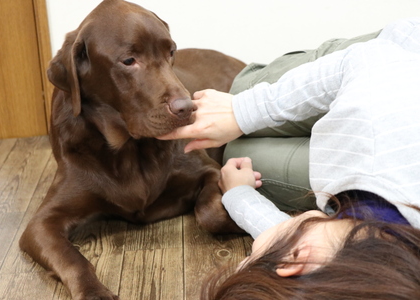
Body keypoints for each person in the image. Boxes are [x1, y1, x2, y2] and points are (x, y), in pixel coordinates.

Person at [159, 18, 420, 299]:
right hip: (395, 56)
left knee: (236, 153)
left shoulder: (388, 267)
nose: (256, 248)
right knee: (241, 89)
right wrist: (241, 110)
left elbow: (298, 243)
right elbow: (370, 58)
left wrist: (238, 196)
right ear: (295, 257)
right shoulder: (377, 142)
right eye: (248, 260)